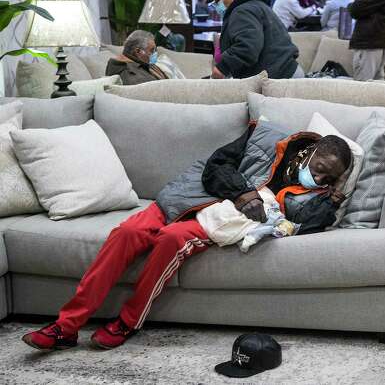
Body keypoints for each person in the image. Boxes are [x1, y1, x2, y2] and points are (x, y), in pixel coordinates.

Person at [21, 123, 353, 351]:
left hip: (220, 221)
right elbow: (216, 164)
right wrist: (244, 193)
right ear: (311, 150)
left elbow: (302, 226)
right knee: (127, 232)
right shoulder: (269, 138)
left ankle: (127, 322)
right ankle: (66, 326)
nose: (319, 176)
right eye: (320, 166)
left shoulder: (318, 193)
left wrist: (330, 199)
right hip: (189, 196)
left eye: (329, 177)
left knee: (169, 239)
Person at [208, 0, 303, 79]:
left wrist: (223, 67)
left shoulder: (242, 11)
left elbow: (248, 46)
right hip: (284, 72)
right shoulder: (255, 5)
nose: (217, 5)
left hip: (280, 77)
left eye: (218, 0)